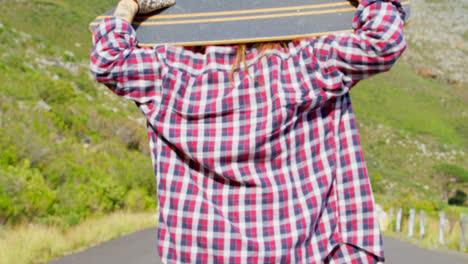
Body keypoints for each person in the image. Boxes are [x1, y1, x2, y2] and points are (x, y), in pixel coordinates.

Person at [90, 0, 407, 263]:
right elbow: (383, 38)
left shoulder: (169, 76)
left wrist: (129, 5)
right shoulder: (301, 67)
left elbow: (108, 58)